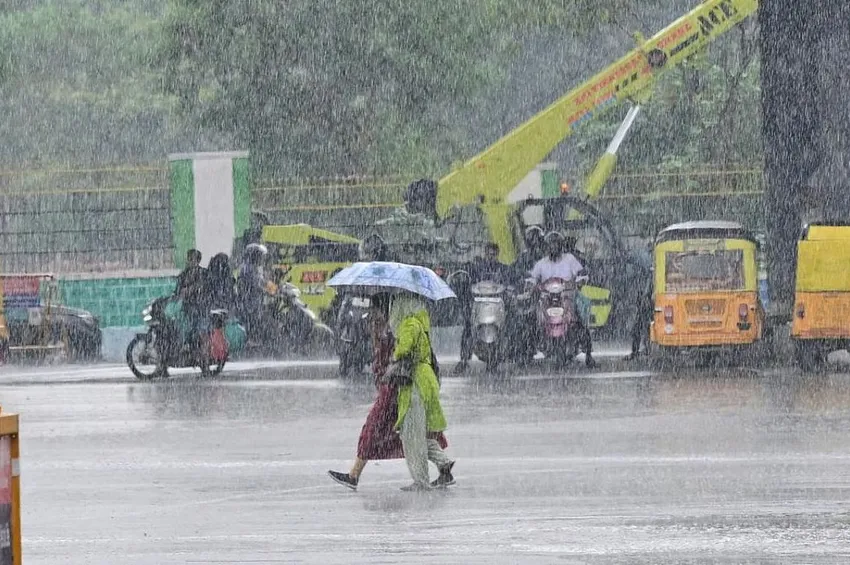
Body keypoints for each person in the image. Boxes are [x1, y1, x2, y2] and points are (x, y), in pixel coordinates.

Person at [327, 294, 450, 491]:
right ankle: (444, 466)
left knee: (376, 431)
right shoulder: (400, 326)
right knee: (412, 434)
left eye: (376, 312)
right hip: (398, 386)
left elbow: (397, 355)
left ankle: (354, 475)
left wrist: (385, 345)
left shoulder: (399, 328)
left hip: (396, 388)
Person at [388, 294, 453, 491]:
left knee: (411, 435)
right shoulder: (420, 323)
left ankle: (421, 480)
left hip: (415, 381)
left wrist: (395, 351)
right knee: (419, 433)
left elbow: (404, 350)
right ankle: (443, 462)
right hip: (426, 379)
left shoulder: (408, 324)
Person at [530, 232, 596, 368]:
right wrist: (530, 284)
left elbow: (581, 273)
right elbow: (532, 277)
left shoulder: (570, 259)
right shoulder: (541, 263)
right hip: (547, 299)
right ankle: (526, 352)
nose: (553, 247)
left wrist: (580, 280)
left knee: (581, 320)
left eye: (556, 244)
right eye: (550, 245)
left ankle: (589, 355)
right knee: (531, 319)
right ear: (546, 247)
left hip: (567, 297)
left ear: (561, 246)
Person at [455, 242, 518, 373]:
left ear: (497, 255)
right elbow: (467, 280)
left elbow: (513, 281)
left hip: (498, 305)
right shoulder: (476, 268)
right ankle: (463, 360)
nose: (491, 257)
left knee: (512, 322)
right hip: (479, 303)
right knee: (468, 326)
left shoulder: (504, 269)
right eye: (488, 254)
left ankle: (514, 353)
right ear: (485, 254)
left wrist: (512, 289)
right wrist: (463, 284)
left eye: (493, 254)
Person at [175, 249, 208, 353]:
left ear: (198, 260)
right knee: (184, 327)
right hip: (187, 306)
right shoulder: (184, 274)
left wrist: (191, 289)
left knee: (197, 328)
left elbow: (204, 286)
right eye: (189, 259)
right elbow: (177, 290)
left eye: (192, 259)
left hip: (200, 306)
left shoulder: (203, 273)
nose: (190, 261)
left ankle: (195, 347)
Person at [236, 243, 268, 339]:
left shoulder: (253, 268)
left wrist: (275, 287)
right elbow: (257, 284)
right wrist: (268, 290)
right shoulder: (248, 269)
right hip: (250, 303)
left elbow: (262, 281)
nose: (262, 259)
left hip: (253, 302)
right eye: (261, 257)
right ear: (255, 256)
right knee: (253, 323)